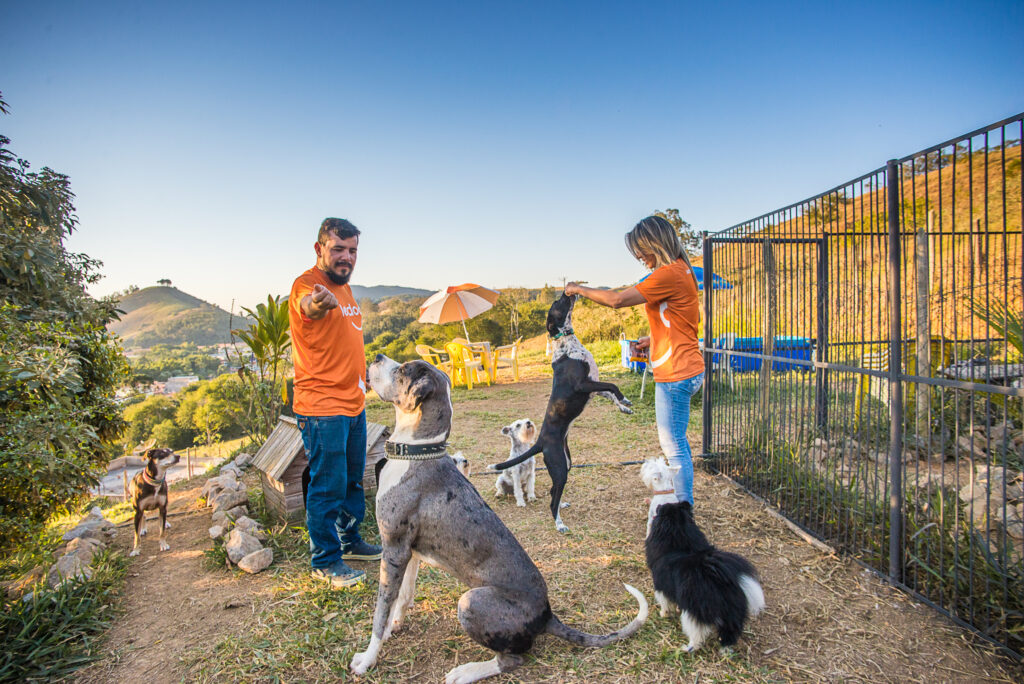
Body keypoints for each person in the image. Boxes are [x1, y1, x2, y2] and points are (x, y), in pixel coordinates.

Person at [565, 215, 705, 504]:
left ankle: (683, 508)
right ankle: (679, 498)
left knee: (674, 445)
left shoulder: (668, 274)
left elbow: (617, 300)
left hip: (677, 372)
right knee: (677, 443)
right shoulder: (683, 271)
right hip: (686, 367)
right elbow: (686, 319)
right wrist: (654, 340)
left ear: (656, 244)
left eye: (641, 251)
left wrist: (578, 289)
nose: (640, 257)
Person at [288, 217, 381, 588]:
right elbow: (308, 307)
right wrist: (316, 302)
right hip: (322, 407)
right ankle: (325, 560)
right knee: (328, 484)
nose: (346, 257)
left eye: (352, 250)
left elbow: (345, 340)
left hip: (352, 402)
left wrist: (363, 379)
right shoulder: (307, 285)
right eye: (338, 249)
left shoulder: (345, 289)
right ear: (319, 249)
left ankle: (350, 541)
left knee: (352, 481)